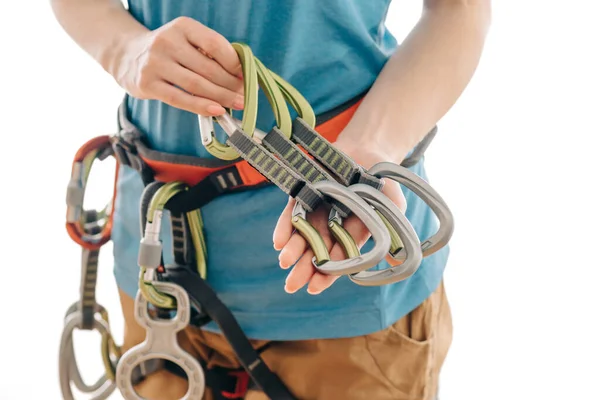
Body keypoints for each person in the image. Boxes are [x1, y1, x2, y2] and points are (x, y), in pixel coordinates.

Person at [50, 1, 490, 399]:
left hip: (349, 303)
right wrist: (125, 49)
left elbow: (460, 9)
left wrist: (373, 143)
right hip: (158, 284)